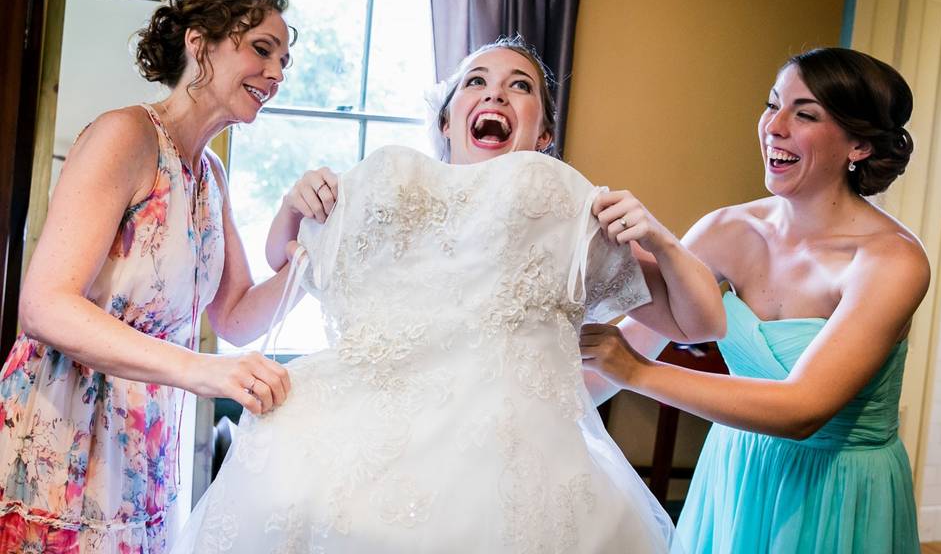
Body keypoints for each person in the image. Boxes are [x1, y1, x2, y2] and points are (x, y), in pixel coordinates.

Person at [170, 36, 723, 553]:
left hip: (513, 469)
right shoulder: (393, 186)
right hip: (369, 448)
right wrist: (295, 204)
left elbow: (703, 322)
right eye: (475, 82)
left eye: (520, 85)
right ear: (448, 118)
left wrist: (660, 238)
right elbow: (288, 258)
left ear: (545, 134)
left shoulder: (567, 209)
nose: (495, 93)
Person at [0, 0, 319, 553]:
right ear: (200, 43)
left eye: (284, 60)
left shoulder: (211, 177)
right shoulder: (126, 135)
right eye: (261, 49)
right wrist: (199, 369)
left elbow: (237, 317)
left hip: (142, 453)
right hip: (62, 428)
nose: (277, 74)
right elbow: (45, 304)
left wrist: (315, 251)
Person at [580, 47, 926, 553]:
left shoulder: (892, 261)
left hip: (837, 490)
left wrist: (634, 371)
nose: (774, 127)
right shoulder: (728, 229)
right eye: (772, 104)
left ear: (859, 146)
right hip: (736, 475)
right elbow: (631, 342)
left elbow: (802, 410)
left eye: (804, 114)